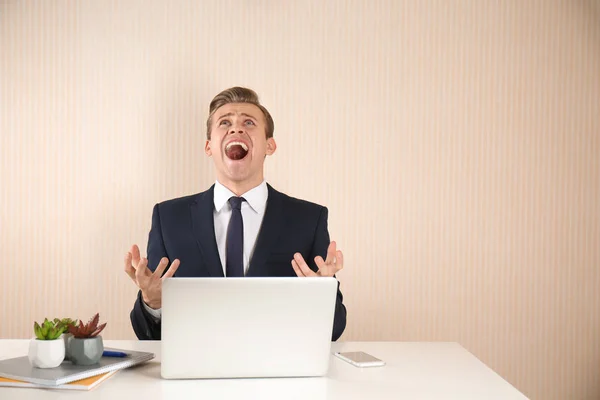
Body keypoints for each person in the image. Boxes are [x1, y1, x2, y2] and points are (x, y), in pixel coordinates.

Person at [124, 87, 347, 341]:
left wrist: (321, 297)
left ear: (269, 145)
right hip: (193, 376)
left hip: (277, 375)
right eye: (225, 122)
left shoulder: (309, 219)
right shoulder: (168, 218)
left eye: (249, 122)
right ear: (209, 146)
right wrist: (152, 302)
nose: (236, 129)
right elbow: (147, 335)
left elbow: (335, 331)